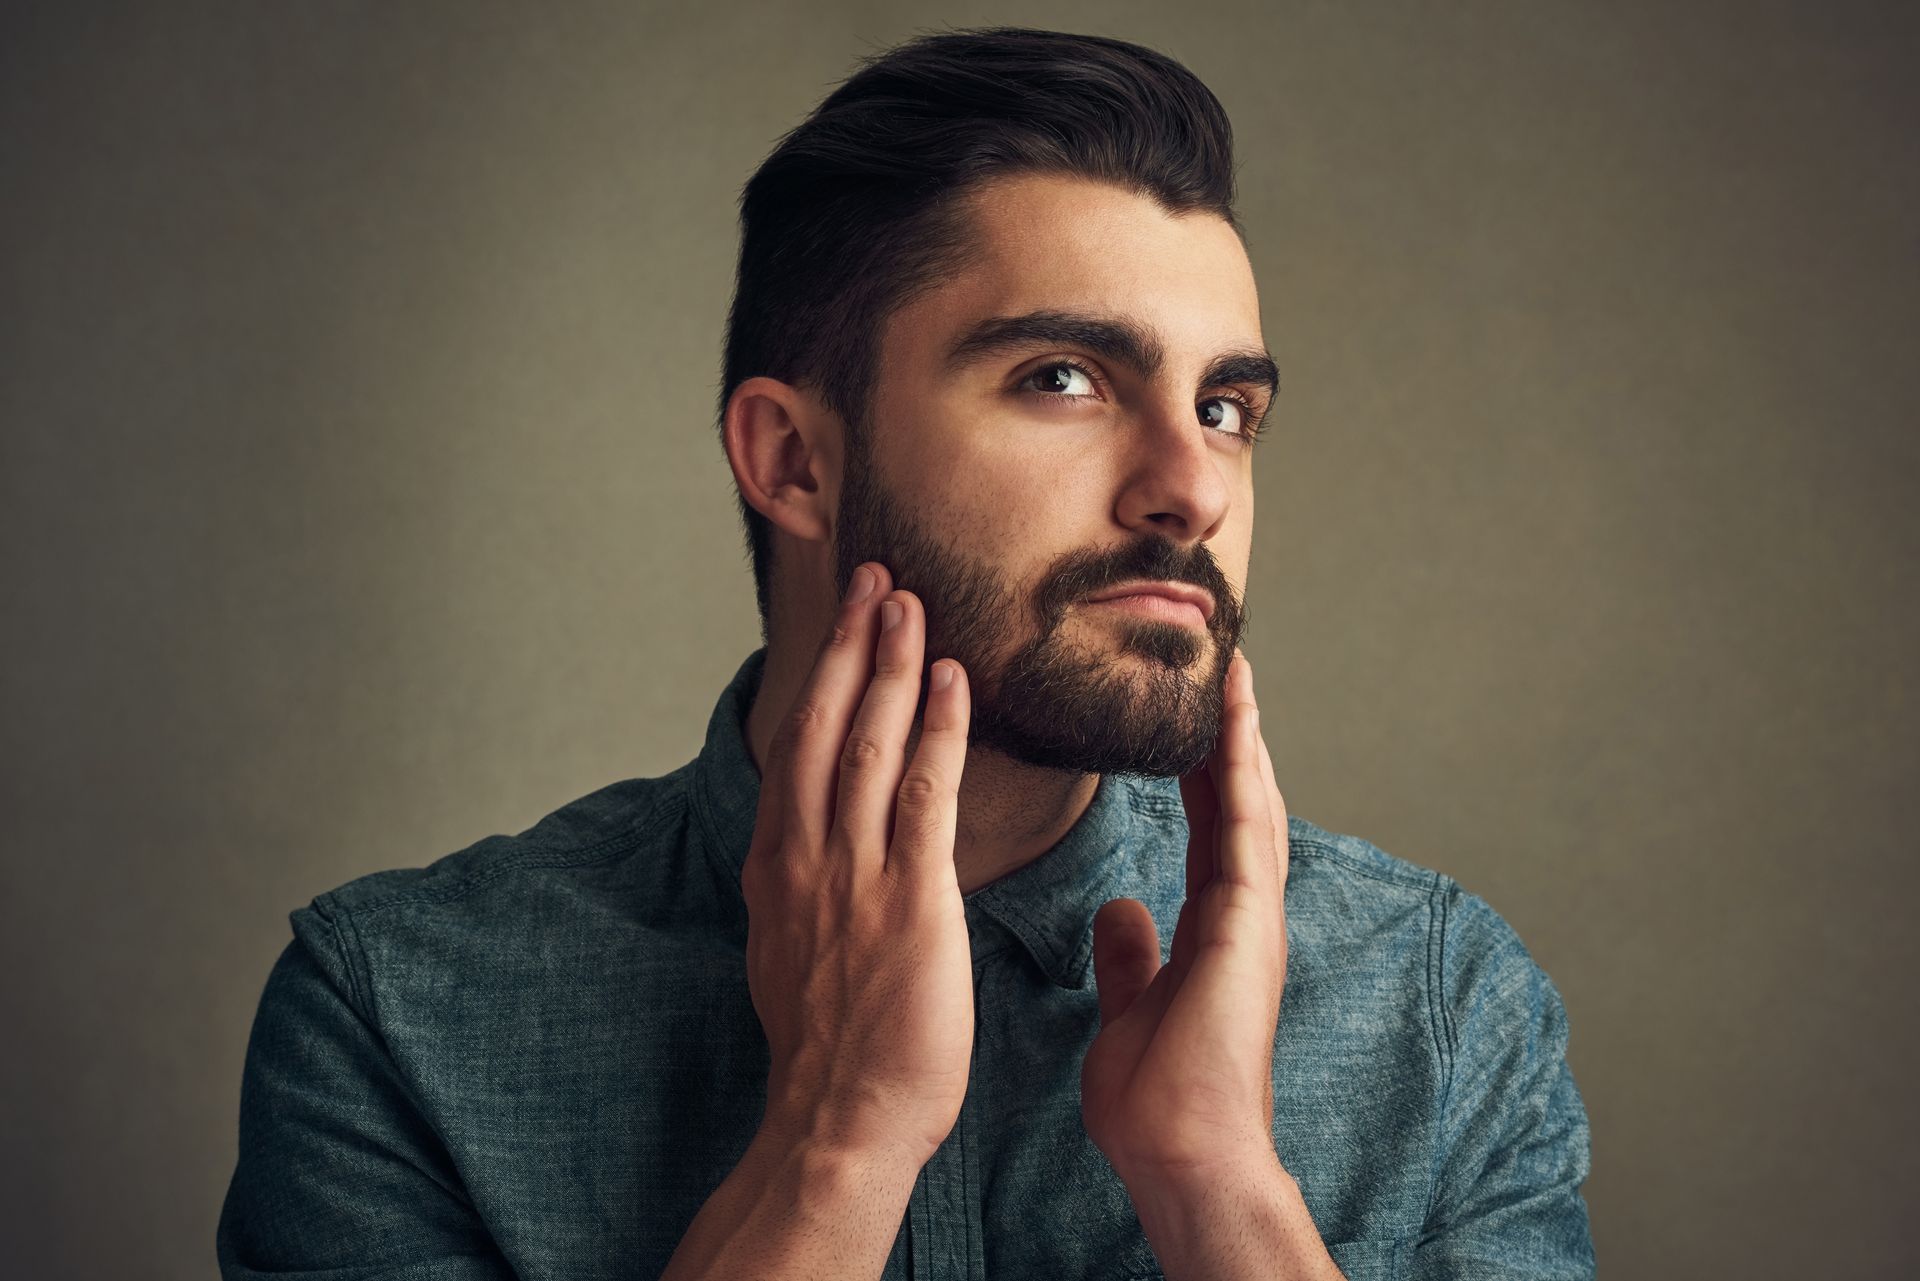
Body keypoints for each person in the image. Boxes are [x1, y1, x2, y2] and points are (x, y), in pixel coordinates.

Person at [216, 26, 1595, 1281]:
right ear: (794, 460)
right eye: (1063, 378)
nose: (1196, 487)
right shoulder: (399, 1019)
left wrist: (1222, 1188)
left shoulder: (1447, 1005)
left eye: (1228, 406)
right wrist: (831, 1150)